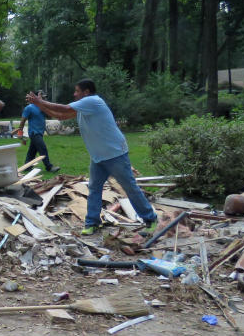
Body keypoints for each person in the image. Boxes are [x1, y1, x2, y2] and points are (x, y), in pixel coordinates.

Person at [25, 79, 157, 236]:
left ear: (86, 92)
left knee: (129, 187)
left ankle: (150, 218)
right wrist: (39, 105)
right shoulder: (84, 106)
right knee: (94, 189)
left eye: (77, 91)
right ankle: (92, 222)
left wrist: (41, 101)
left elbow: (64, 108)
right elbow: (60, 115)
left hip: (115, 153)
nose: (74, 94)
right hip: (98, 156)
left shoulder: (93, 101)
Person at [17, 91, 59, 173]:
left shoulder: (42, 107)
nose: (44, 98)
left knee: (32, 151)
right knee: (43, 148)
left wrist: (45, 107)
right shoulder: (29, 108)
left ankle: (27, 166)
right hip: (34, 133)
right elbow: (22, 121)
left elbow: (50, 117)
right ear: (35, 97)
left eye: (44, 97)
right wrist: (20, 133)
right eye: (42, 97)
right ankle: (49, 167)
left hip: (40, 133)